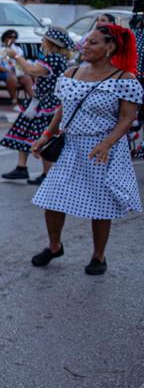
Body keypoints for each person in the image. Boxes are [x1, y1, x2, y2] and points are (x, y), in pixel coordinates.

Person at [30, 23, 141, 275]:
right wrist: (46, 135)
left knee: (100, 204)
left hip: (101, 149)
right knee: (52, 197)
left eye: (93, 42)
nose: (85, 46)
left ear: (109, 47)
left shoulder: (124, 79)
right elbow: (63, 109)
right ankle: (54, 245)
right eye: (85, 41)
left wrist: (106, 144)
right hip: (71, 145)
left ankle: (98, 256)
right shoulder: (71, 73)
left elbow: (127, 118)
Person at [0, 28, 73, 182]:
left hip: (47, 104)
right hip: (39, 101)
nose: (42, 42)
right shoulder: (55, 57)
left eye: (44, 40)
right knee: (25, 132)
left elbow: (31, 70)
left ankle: (46, 174)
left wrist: (16, 56)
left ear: (50, 43)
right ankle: (21, 168)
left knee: (43, 136)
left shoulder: (53, 58)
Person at [0, 29, 32, 109]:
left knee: (27, 78)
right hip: (1, 73)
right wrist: (8, 71)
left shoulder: (17, 49)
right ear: (5, 38)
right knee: (12, 77)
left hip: (16, 72)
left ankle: (33, 102)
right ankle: (14, 102)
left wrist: (19, 70)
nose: (12, 39)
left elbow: (22, 63)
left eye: (14, 37)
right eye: (10, 37)